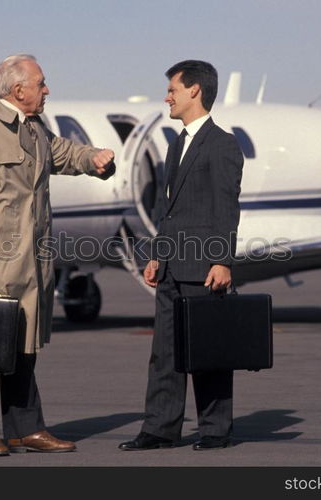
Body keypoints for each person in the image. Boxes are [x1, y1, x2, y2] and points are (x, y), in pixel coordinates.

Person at [0, 54, 115, 456]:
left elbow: (61, 154)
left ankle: (27, 428)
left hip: (33, 261)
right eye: (41, 83)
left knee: (23, 346)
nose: (47, 90)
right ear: (17, 90)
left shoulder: (34, 129)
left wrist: (92, 159)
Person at [119, 60, 244, 451]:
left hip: (204, 267)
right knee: (164, 355)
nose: (166, 97)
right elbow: (167, 209)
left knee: (208, 352)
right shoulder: (176, 144)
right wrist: (157, 255)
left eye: (172, 89)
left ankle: (214, 430)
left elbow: (226, 206)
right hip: (172, 266)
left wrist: (222, 260)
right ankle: (159, 429)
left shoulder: (222, 144)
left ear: (195, 91)